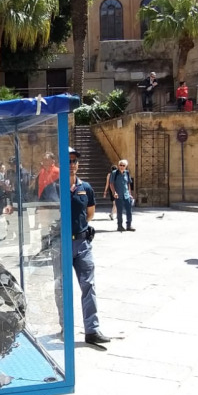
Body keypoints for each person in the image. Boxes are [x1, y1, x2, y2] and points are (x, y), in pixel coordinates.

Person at [54, 147, 113, 346]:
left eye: (74, 161)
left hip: (82, 243)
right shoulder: (53, 188)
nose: (71, 165)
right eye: (67, 161)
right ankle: (66, 327)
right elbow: (45, 216)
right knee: (62, 287)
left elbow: (90, 214)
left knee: (89, 286)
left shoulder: (85, 187)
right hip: (61, 244)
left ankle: (92, 330)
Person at [110, 159, 135, 232]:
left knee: (129, 211)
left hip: (126, 195)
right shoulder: (114, 173)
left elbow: (128, 184)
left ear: (125, 166)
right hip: (118, 195)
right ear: (118, 165)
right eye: (120, 165)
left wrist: (130, 194)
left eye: (123, 165)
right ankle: (120, 226)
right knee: (119, 211)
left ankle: (129, 225)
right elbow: (111, 184)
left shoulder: (127, 173)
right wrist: (114, 192)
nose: (121, 167)